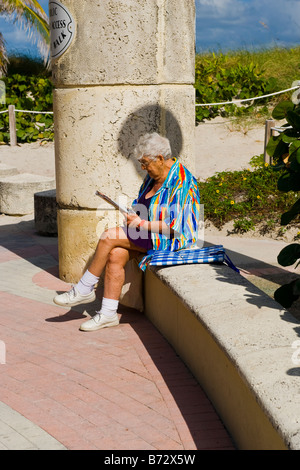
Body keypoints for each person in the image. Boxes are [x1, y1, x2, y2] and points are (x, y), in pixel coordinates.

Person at [53, 133, 201, 331]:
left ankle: (84, 288)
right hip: (149, 234)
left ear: (159, 158)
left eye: (145, 162)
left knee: (108, 236)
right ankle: (108, 313)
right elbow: (145, 206)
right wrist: (132, 215)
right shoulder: (153, 177)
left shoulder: (182, 182)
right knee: (116, 254)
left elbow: (177, 227)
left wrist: (141, 223)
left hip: (172, 240)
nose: (143, 167)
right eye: (141, 162)